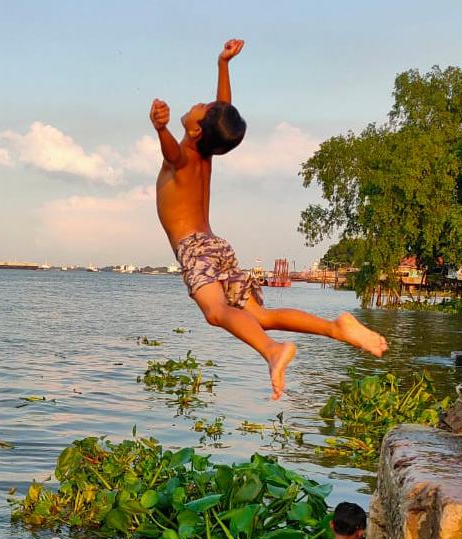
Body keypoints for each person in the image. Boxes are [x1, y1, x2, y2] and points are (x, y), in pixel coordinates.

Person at [150, 38, 388, 400]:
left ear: (196, 130)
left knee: (216, 312)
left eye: (202, 107)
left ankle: (272, 351)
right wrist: (223, 63)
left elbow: (171, 150)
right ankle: (336, 328)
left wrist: (161, 129)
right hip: (217, 247)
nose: (199, 103)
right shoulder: (204, 155)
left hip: (195, 250)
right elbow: (224, 109)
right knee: (259, 316)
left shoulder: (181, 158)